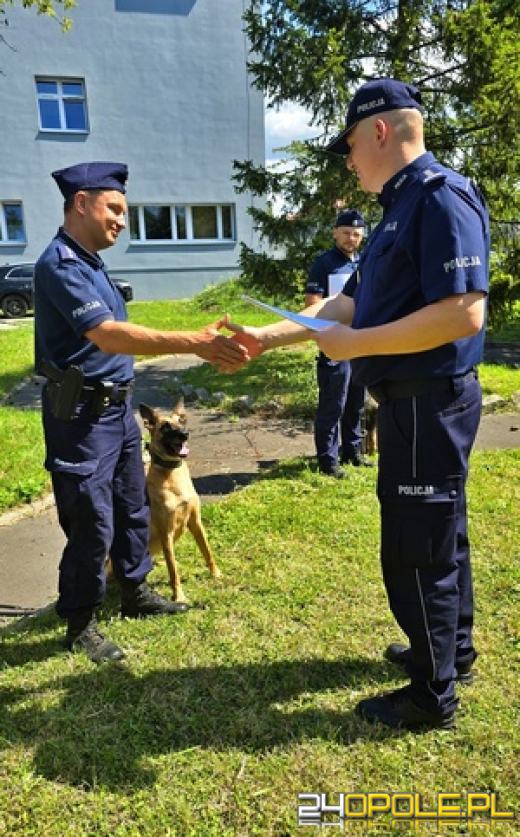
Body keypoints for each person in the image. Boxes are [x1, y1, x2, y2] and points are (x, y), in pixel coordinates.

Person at [227, 79, 489, 731]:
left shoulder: (438, 198)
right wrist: (267, 336)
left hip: (428, 400)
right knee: (438, 532)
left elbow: (463, 312)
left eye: (349, 144)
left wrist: (356, 345)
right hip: (410, 403)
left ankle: (433, 695)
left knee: (416, 544)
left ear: (379, 131)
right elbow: (347, 305)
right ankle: (450, 650)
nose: (348, 159)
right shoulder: (395, 213)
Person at [34, 161, 248, 663]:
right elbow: (106, 334)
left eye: (124, 211)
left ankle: (134, 592)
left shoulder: (91, 262)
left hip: (117, 411)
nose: (122, 221)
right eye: (115, 209)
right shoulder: (61, 264)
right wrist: (190, 342)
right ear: (81, 203)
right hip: (81, 419)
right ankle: (81, 622)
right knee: (91, 520)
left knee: (133, 506)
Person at [305, 209, 372, 477]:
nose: (350, 238)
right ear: (335, 232)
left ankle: (352, 452)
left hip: (359, 342)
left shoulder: (364, 263)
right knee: (333, 403)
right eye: (345, 233)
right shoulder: (324, 264)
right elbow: (312, 304)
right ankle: (328, 460)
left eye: (356, 234)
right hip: (334, 344)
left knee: (356, 401)